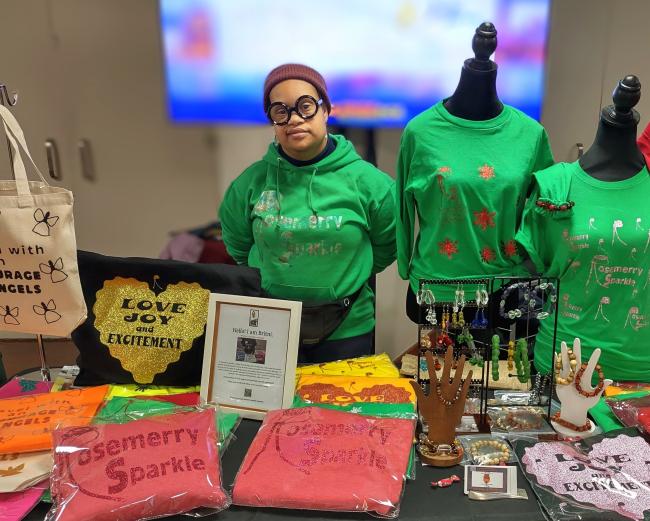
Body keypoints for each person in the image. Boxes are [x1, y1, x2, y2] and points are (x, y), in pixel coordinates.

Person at [219, 64, 396, 363]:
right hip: (268, 326)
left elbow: (388, 244)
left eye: (305, 107)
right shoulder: (250, 184)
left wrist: (346, 275)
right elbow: (238, 245)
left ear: (326, 110)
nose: (295, 120)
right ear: (272, 121)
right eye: (281, 111)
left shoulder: (372, 184)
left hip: (347, 329)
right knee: (269, 411)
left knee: (340, 410)